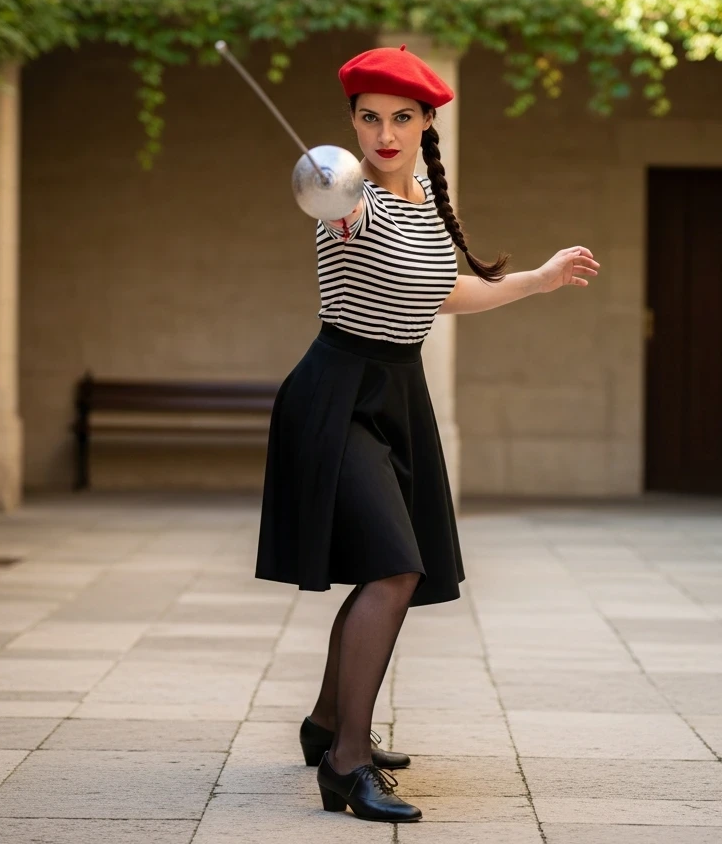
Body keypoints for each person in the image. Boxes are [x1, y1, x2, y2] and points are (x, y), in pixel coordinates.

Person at [255, 44, 599, 823]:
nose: (385, 132)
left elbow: (445, 293)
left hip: (395, 397)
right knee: (395, 570)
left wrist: (538, 280)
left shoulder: (422, 208)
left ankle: (324, 722)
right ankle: (345, 763)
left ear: (424, 124)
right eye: (369, 118)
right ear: (351, 124)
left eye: (401, 118)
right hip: (337, 393)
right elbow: (336, 206)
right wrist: (329, 189)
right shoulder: (352, 201)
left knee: (385, 567)